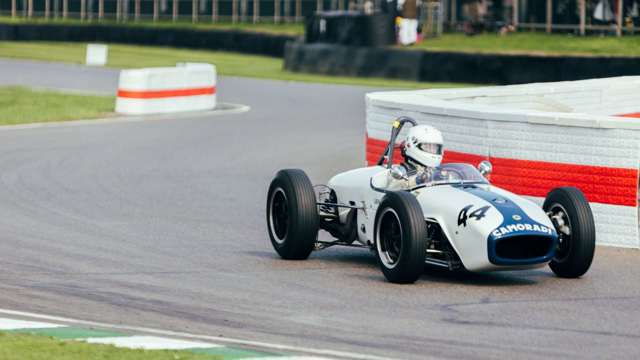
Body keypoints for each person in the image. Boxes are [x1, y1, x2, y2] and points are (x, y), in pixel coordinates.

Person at [385, 124, 444, 190]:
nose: (432, 150)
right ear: (412, 145)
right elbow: (391, 189)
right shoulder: (400, 171)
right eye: (428, 147)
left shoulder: (437, 172)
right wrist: (418, 180)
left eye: (435, 148)